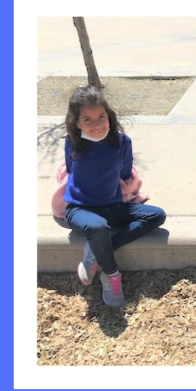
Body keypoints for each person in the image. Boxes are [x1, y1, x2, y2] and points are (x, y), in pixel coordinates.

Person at [61, 85, 167, 308]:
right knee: (98, 227)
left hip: (113, 206)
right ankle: (111, 274)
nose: (97, 124)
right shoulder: (73, 142)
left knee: (157, 216)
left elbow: (125, 173)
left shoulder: (122, 143)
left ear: (109, 116)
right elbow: (71, 169)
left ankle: (98, 251)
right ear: (76, 122)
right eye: (87, 119)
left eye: (101, 117)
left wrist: (131, 191)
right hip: (81, 209)